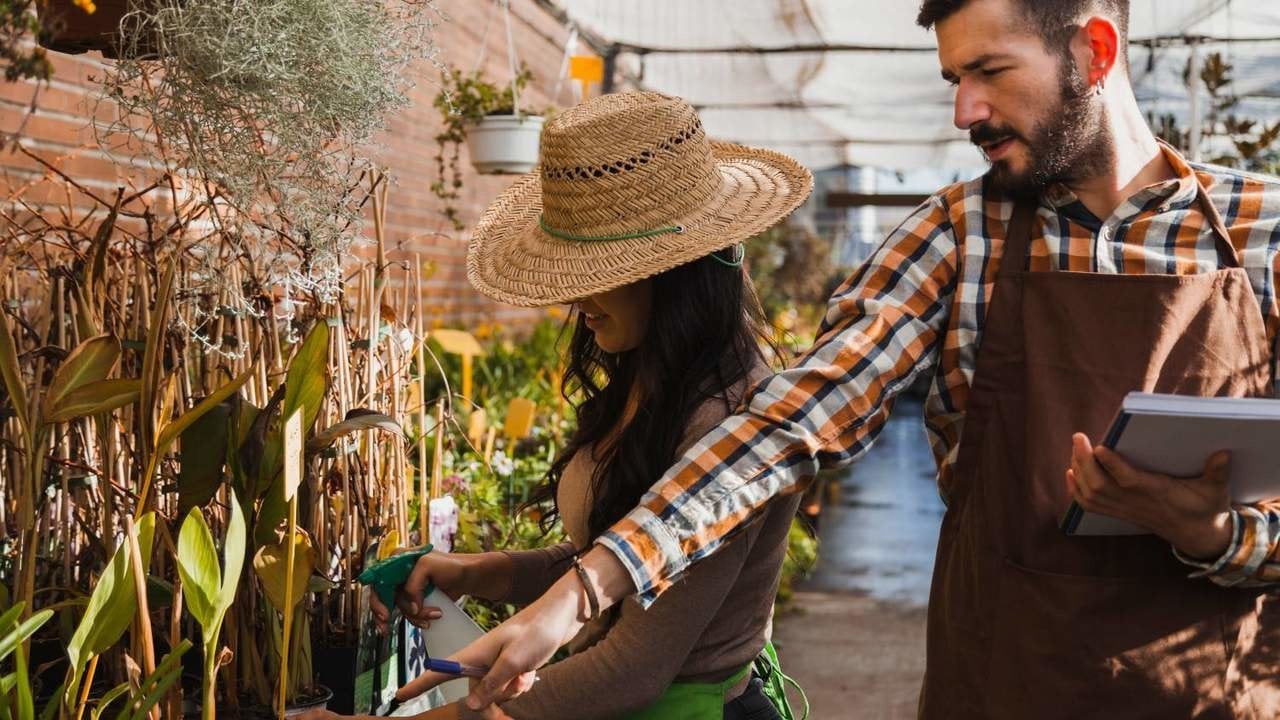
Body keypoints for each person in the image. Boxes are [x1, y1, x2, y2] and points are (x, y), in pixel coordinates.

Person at [405, 1, 1280, 718]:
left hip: (1216, 695)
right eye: (952, 79)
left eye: (990, 72)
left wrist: (1214, 532)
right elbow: (795, 418)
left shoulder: (1262, 235)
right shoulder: (958, 235)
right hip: (1009, 686)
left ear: (1094, 49)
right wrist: (583, 589)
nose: (963, 111)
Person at [309, 91, 814, 719]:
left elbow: (634, 668)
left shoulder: (730, 420)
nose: (575, 300)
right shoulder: (648, 380)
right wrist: (476, 572)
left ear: (674, 272)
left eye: (596, 271)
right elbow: (612, 564)